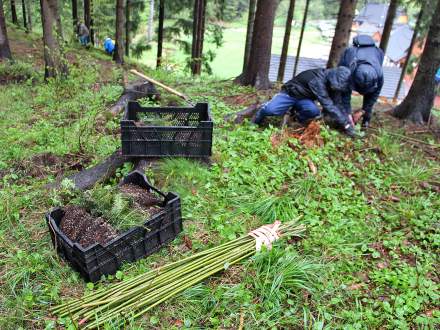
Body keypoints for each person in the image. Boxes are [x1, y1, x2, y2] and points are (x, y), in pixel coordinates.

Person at [253, 66, 357, 137]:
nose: (335, 88)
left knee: (313, 111)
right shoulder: (317, 80)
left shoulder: (333, 84)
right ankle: (260, 111)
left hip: (304, 99)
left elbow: (337, 103)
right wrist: (346, 125)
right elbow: (328, 105)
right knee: (271, 110)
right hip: (290, 94)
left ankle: (295, 118)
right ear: (332, 76)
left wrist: (347, 119)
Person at [339, 35, 384, 129]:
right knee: (340, 91)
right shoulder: (347, 69)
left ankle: (366, 121)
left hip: (371, 74)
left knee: (369, 97)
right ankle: (342, 117)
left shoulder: (379, 76)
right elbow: (345, 93)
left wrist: (362, 112)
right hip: (349, 66)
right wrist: (348, 113)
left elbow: (374, 96)